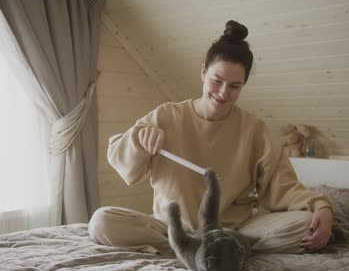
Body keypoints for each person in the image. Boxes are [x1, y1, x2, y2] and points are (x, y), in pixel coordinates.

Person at [89, 20, 333, 255]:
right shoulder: (166, 115)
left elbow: (283, 186)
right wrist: (138, 140)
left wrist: (320, 206)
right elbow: (120, 159)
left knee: (306, 223)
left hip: (232, 229)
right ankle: (202, 249)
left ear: (243, 85)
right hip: (171, 228)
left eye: (234, 86)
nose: (223, 93)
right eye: (217, 81)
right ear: (204, 73)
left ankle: (215, 248)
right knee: (101, 222)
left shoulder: (254, 129)